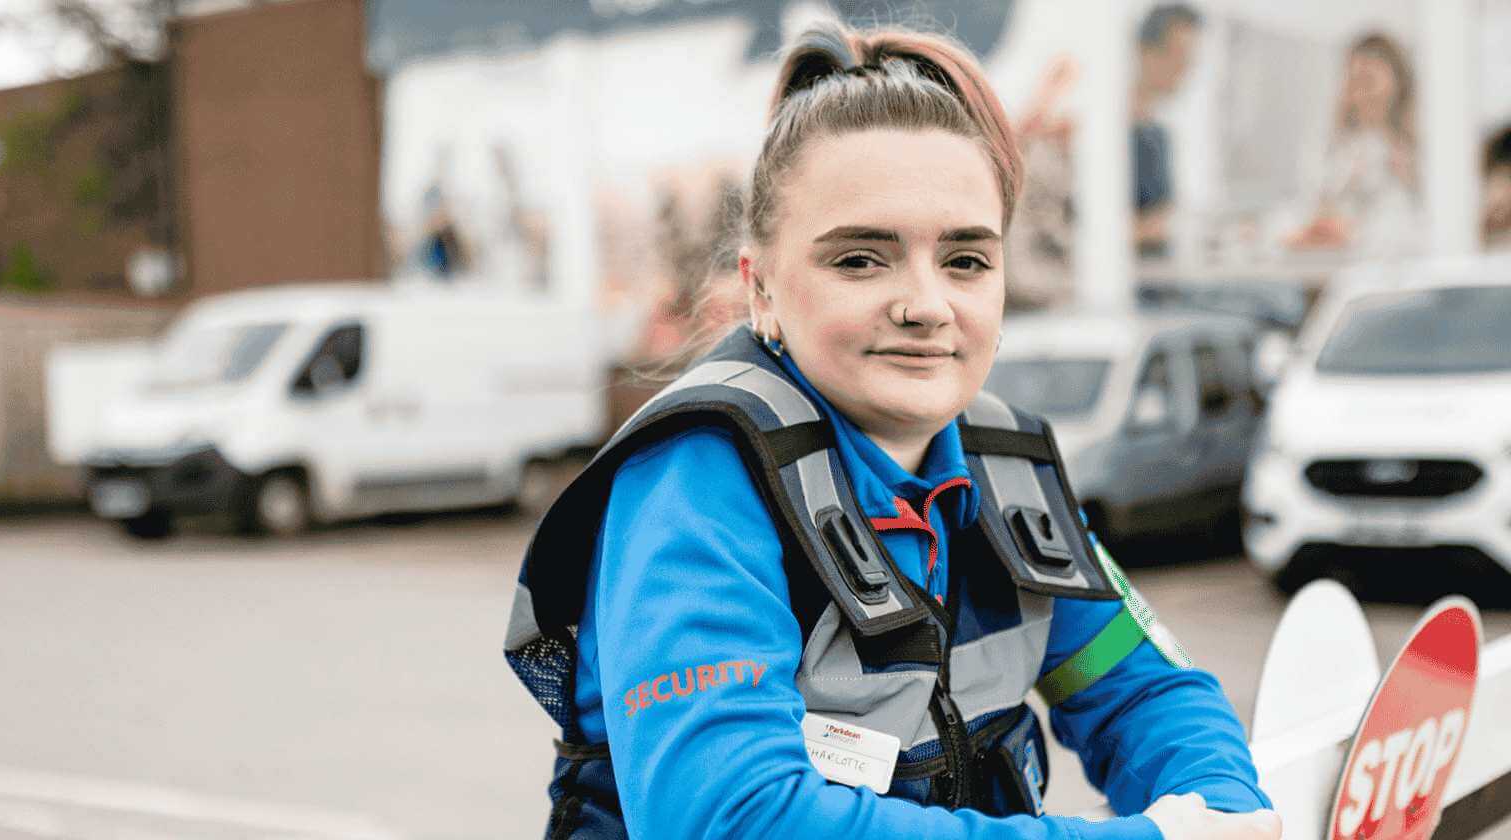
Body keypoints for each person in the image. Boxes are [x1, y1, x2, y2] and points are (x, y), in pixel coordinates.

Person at [502, 19, 1282, 840]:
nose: (926, 304)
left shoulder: (1009, 475)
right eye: (860, 260)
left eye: (966, 260)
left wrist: (1224, 811)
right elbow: (731, 819)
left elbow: (1144, 691)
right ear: (759, 287)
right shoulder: (696, 481)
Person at [1284, 33, 1418, 256]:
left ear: (1398, 84)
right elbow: (1309, 203)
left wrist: (1409, 176)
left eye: (1369, 81)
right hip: (1337, 258)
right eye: (1354, 81)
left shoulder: (1416, 149)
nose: (1361, 93)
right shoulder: (1330, 146)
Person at [1131, 4, 1202, 258]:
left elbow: (1166, 214)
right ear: (1145, 52)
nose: (1187, 68)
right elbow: (1094, 231)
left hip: (1165, 274)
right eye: (1180, 56)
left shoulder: (1158, 136)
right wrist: (1152, 228)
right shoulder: (1107, 139)